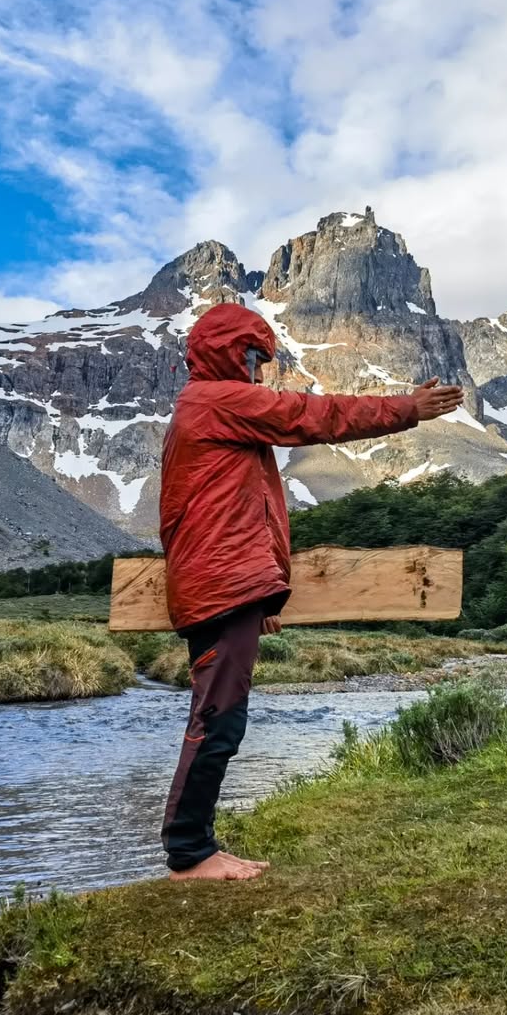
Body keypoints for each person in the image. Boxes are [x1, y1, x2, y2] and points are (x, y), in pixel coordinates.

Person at [158, 302, 464, 881]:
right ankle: (189, 853)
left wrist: (262, 597)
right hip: (221, 588)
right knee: (218, 718)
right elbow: (313, 415)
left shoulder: (202, 409)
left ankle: (192, 848)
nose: (258, 370)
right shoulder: (218, 399)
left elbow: (219, 516)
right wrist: (408, 409)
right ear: (229, 353)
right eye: (252, 356)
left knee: (219, 715)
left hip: (226, 587)